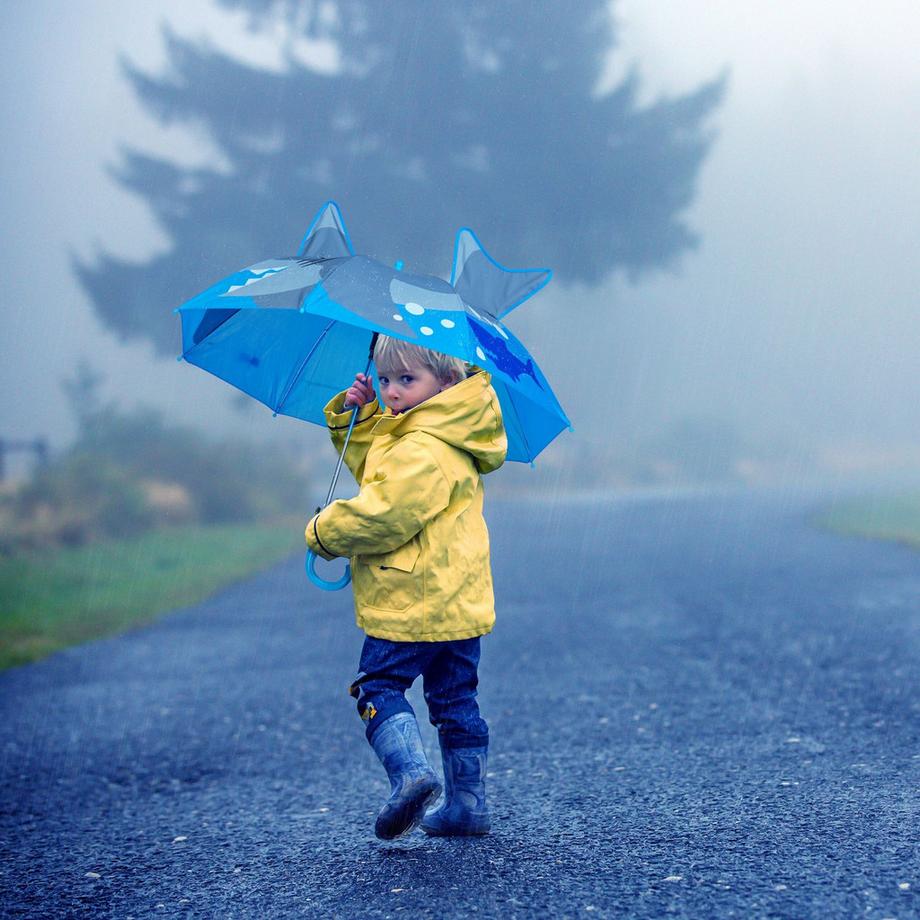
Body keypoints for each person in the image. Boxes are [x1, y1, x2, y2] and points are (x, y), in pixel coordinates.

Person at [305, 335, 506, 840]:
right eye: (385, 379)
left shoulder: (422, 446)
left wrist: (325, 532)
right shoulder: (441, 432)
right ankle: (467, 805)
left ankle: (411, 774)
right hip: (456, 602)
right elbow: (382, 474)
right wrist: (361, 420)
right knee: (455, 699)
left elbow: (386, 512)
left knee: (377, 686)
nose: (391, 391)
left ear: (447, 380)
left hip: (412, 599)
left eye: (406, 379)